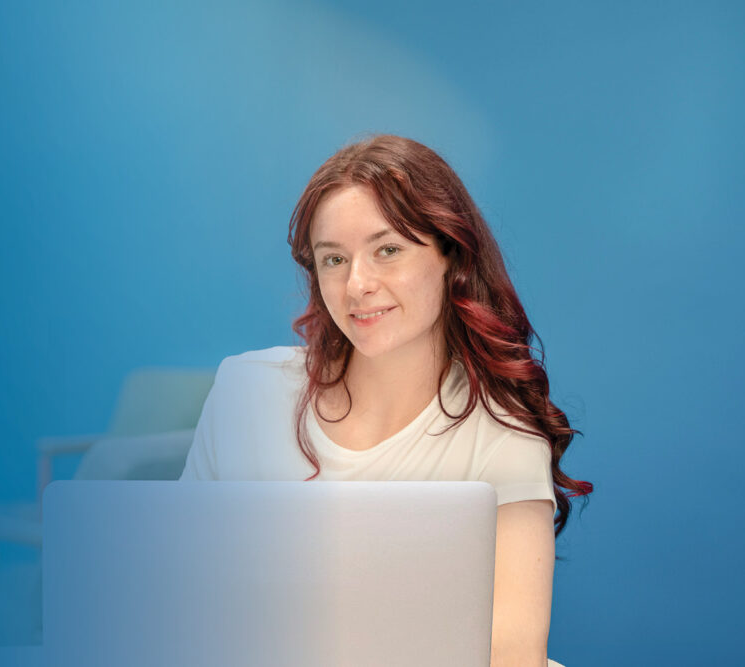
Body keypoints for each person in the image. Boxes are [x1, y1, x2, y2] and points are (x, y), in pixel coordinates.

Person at [179, 134, 592, 667]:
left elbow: (512, 656)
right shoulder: (247, 392)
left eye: (388, 250)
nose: (357, 285)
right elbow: (181, 600)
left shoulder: (501, 430)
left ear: (451, 256)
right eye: (333, 259)